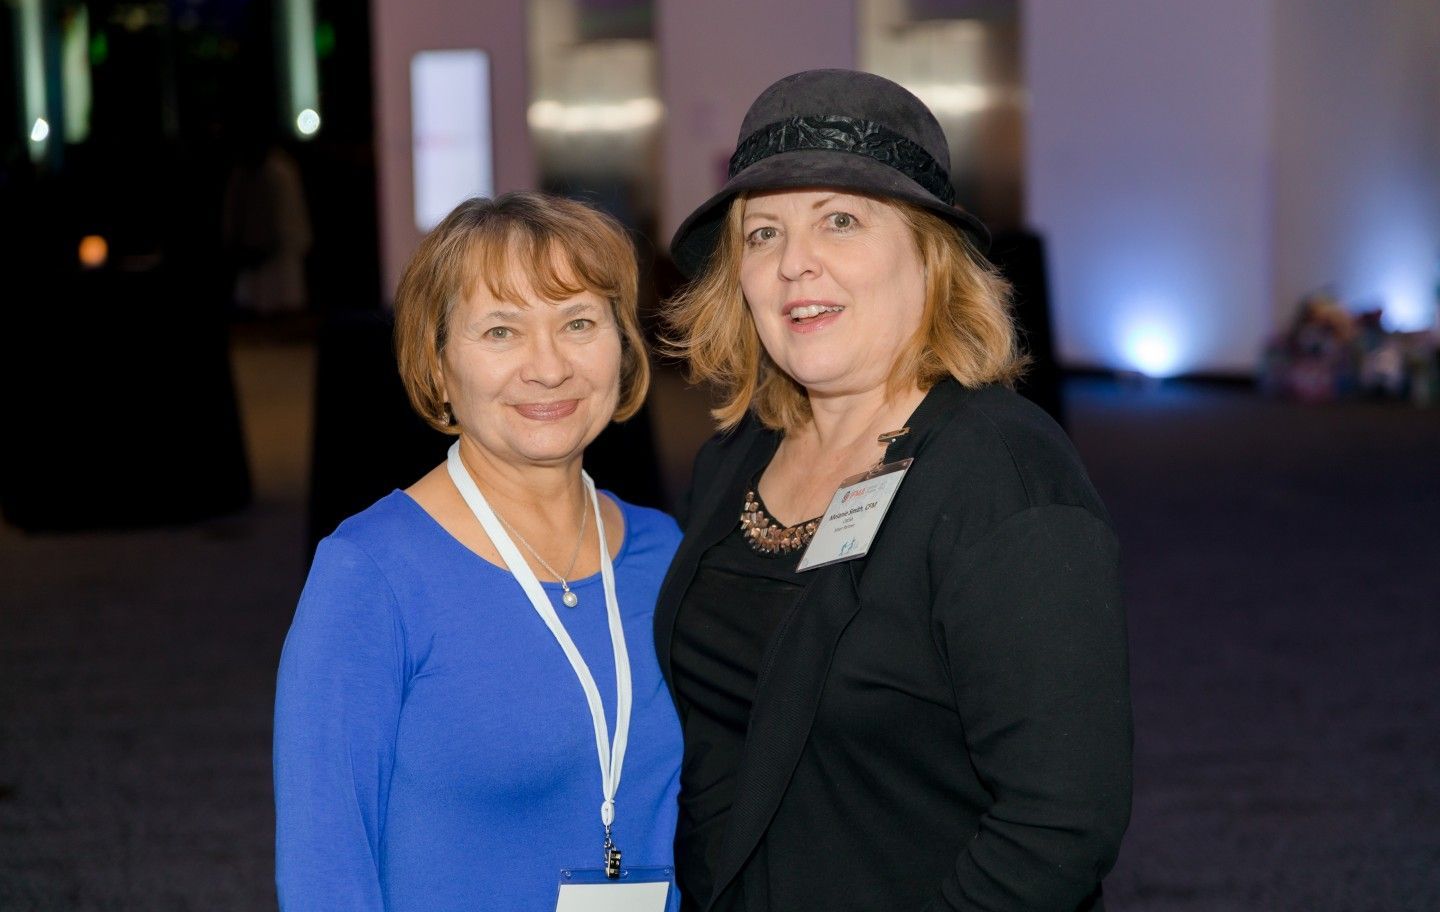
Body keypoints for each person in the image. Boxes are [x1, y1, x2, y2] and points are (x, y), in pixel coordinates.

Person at [658, 69, 1132, 911]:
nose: (794, 263)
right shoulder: (734, 458)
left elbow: (1059, 824)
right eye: (763, 234)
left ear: (928, 253)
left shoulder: (1002, 479)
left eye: (840, 221)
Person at [274, 192, 683, 911]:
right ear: (436, 367)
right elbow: (324, 873)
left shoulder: (664, 549)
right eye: (501, 332)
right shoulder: (371, 574)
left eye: (579, 323)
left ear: (623, 348)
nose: (548, 366)